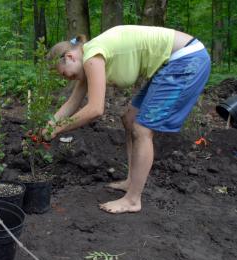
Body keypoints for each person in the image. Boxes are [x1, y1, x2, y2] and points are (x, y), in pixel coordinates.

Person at [44, 25, 211, 214]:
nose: (70, 79)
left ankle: (132, 200)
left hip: (187, 59)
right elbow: (72, 102)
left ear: (70, 57)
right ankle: (131, 181)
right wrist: (49, 126)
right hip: (172, 61)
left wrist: (58, 129)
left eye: (68, 74)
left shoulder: (92, 56)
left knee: (142, 129)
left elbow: (95, 109)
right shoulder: (90, 54)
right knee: (130, 118)